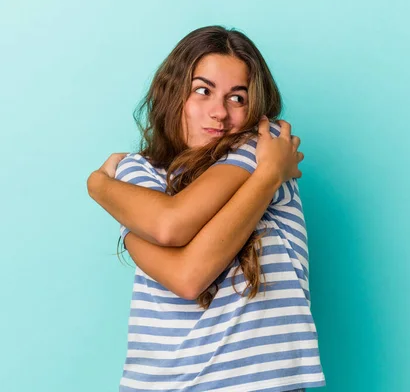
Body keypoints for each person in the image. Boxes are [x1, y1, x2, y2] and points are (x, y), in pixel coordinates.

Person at [87, 25, 325, 392]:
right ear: (174, 94)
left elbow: (174, 242)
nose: (219, 113)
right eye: (203, 91)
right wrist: (99, 185)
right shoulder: (140, 172)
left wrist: (104, 188)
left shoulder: (261, 148)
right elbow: (179, 253)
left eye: (237, 98)